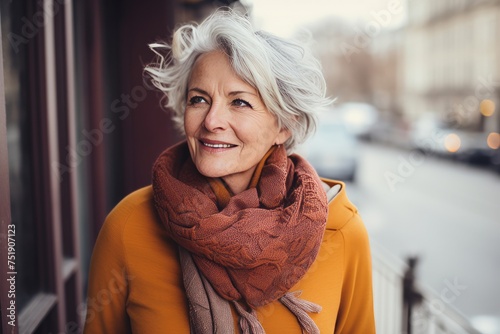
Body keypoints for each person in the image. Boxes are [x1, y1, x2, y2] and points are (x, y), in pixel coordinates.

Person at [83, 9, 375, 334]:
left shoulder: (341, 230)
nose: (211, 121)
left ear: (284, 125)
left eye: (240, 102)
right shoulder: (129, 226)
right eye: (199, 99)